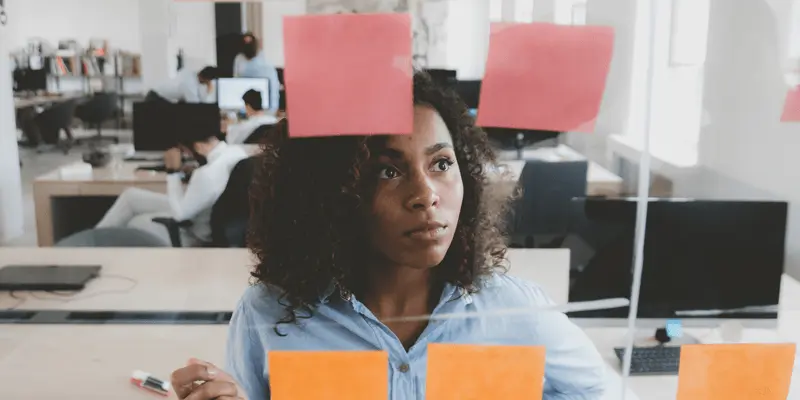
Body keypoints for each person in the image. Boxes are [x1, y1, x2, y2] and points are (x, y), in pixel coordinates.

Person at [170, 72, 606, 399]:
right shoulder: (271, 315)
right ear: (333, 192)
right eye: (389, 171)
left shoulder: (513, 313)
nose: (425, 195)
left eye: (440, 164)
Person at [96, 126, 247, 246]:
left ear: (199, 147)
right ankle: (92, 240)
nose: (187, 156)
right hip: (207, 218)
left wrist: (172, 172)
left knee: (134, 221)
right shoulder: (236, 153)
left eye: (186, 152)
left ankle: (92, 245)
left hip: (195, 235)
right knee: (130, 196)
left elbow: (179, 214)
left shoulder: (206, 174)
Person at [233, 33, 280, 114]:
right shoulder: (239, 59)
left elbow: (273, 86)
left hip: (264, 104)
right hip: (246, 104)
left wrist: (272, 110)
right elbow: (236, 82)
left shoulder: (265, 59)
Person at [145, 66, 219, 104]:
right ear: (206, 79)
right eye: (208, 81)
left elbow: (197, 97)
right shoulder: (189, 85)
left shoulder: (189, 73)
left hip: (156, 95)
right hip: (155, 99)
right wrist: (208, 92)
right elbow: (197, 106)